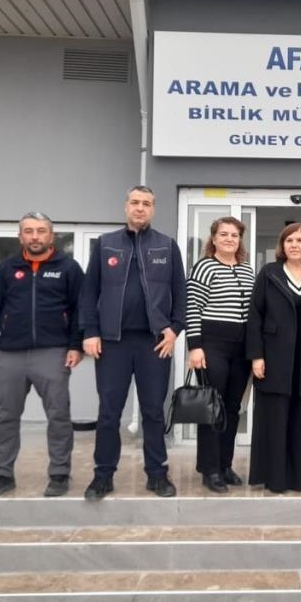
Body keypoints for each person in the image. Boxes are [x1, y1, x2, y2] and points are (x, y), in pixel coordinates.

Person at [79, 186, 186, 500]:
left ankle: (157, 474)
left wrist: (174, 329)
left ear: (153, 209)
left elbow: (180, 292)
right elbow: (89, 292)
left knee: (153, 411)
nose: (140, 208)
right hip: (113, 343)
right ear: (126, 207)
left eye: (147, 203)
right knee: (109, 413)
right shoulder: (105, 244)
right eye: (135, 202)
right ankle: (103, 476)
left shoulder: (167, 246)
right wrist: (90, 331)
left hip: (155, 342)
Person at [0, 211, 84, 499]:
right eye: (29, 231)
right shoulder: (7, 268)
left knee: (58, 415)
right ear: (20, 236)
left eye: (41, 231)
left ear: (51, 235)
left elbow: (80, 309)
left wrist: (75, 345)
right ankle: (2, 473)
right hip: (10, 353)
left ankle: (59, 473)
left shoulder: (68, 268)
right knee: (6, 416)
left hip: (53, 352)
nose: (35, 236)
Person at [247, 223, 301, 493]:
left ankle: (300, 478)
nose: (294, 245)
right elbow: (255, 316)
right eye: (289, 240)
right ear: (282, 246)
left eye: (300, 240)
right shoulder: (269, 273)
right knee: (274, 420)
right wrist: (256, 356)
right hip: (274, 359)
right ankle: (275, 478)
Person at [186, 216, 256, 493]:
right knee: (211, 407)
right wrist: (195, 346)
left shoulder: (247, 269)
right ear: (213, 239)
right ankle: (210, 469)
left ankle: (225, 465)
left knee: (232, 409)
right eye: (224, 234)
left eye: (234, 235)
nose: (229, 239)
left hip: (241, 348)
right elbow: (192, 307)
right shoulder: (204, 266)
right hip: (212, 345)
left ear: (240, 240)